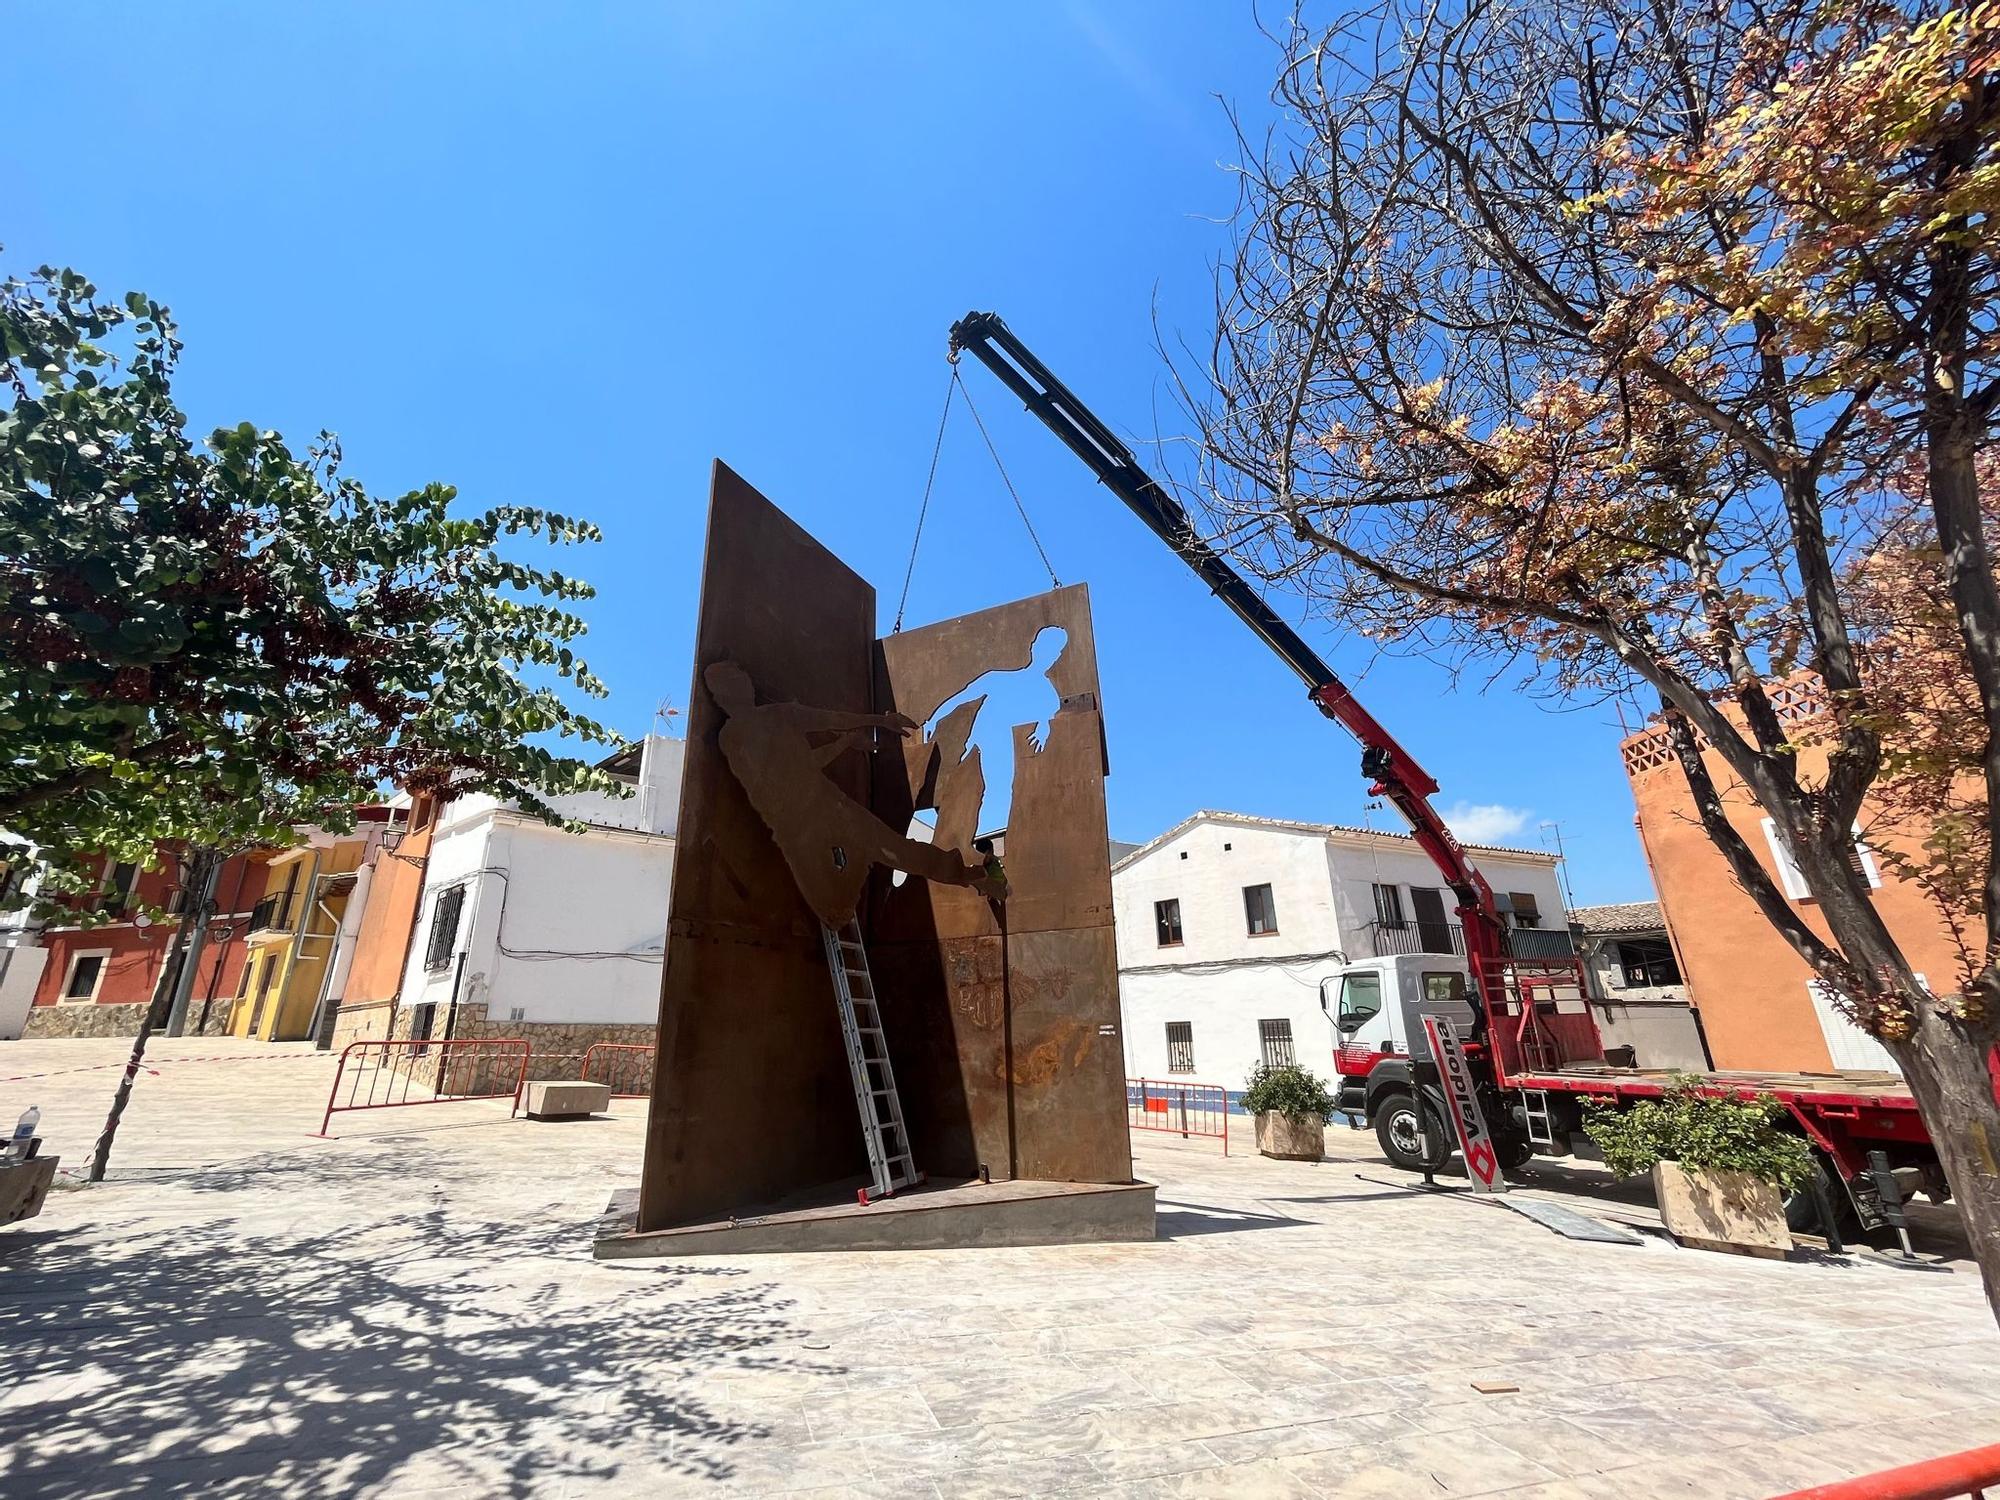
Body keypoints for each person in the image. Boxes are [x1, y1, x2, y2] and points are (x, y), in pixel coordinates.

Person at [704, 661, 1002, 926]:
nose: (744, 685)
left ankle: (971, 875)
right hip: (794, 830)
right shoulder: (731, 738)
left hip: (829, 805)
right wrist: (847, 742)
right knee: (834, 914)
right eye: (733, 682)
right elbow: (786, 775)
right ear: (721, 696)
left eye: (742, 678)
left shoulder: (780, 714)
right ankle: (861, 857)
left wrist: (878, 722)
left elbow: (832, 720)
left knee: (900, 851)